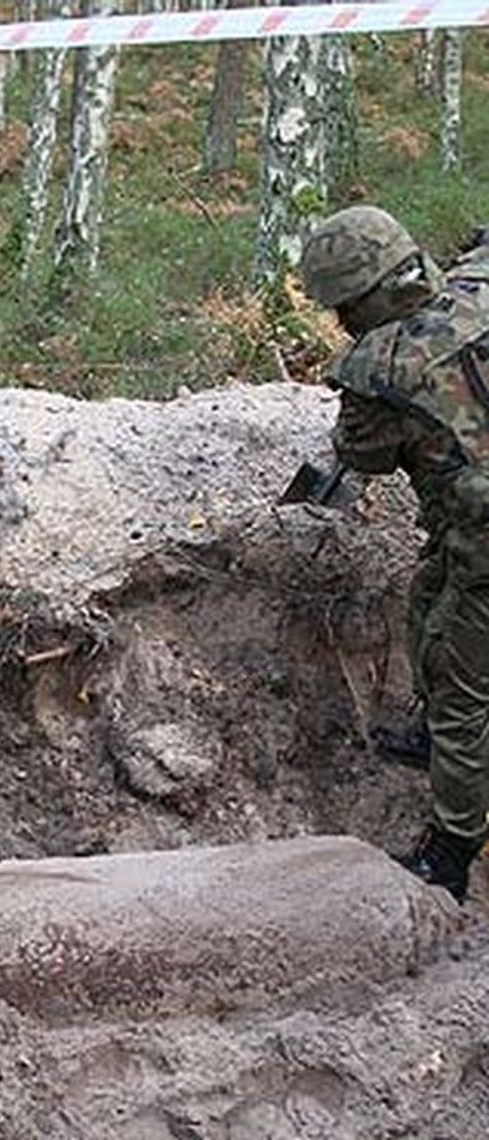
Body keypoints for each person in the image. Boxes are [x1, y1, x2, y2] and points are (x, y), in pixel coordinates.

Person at [299, 205, 489, 902]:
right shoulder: (476, 284)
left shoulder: (379, 367)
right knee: (427, 600)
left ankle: (452, 851)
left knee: (463, 684)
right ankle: (436, 739)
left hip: (484, 545)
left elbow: (362, 456)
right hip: (464, 534)